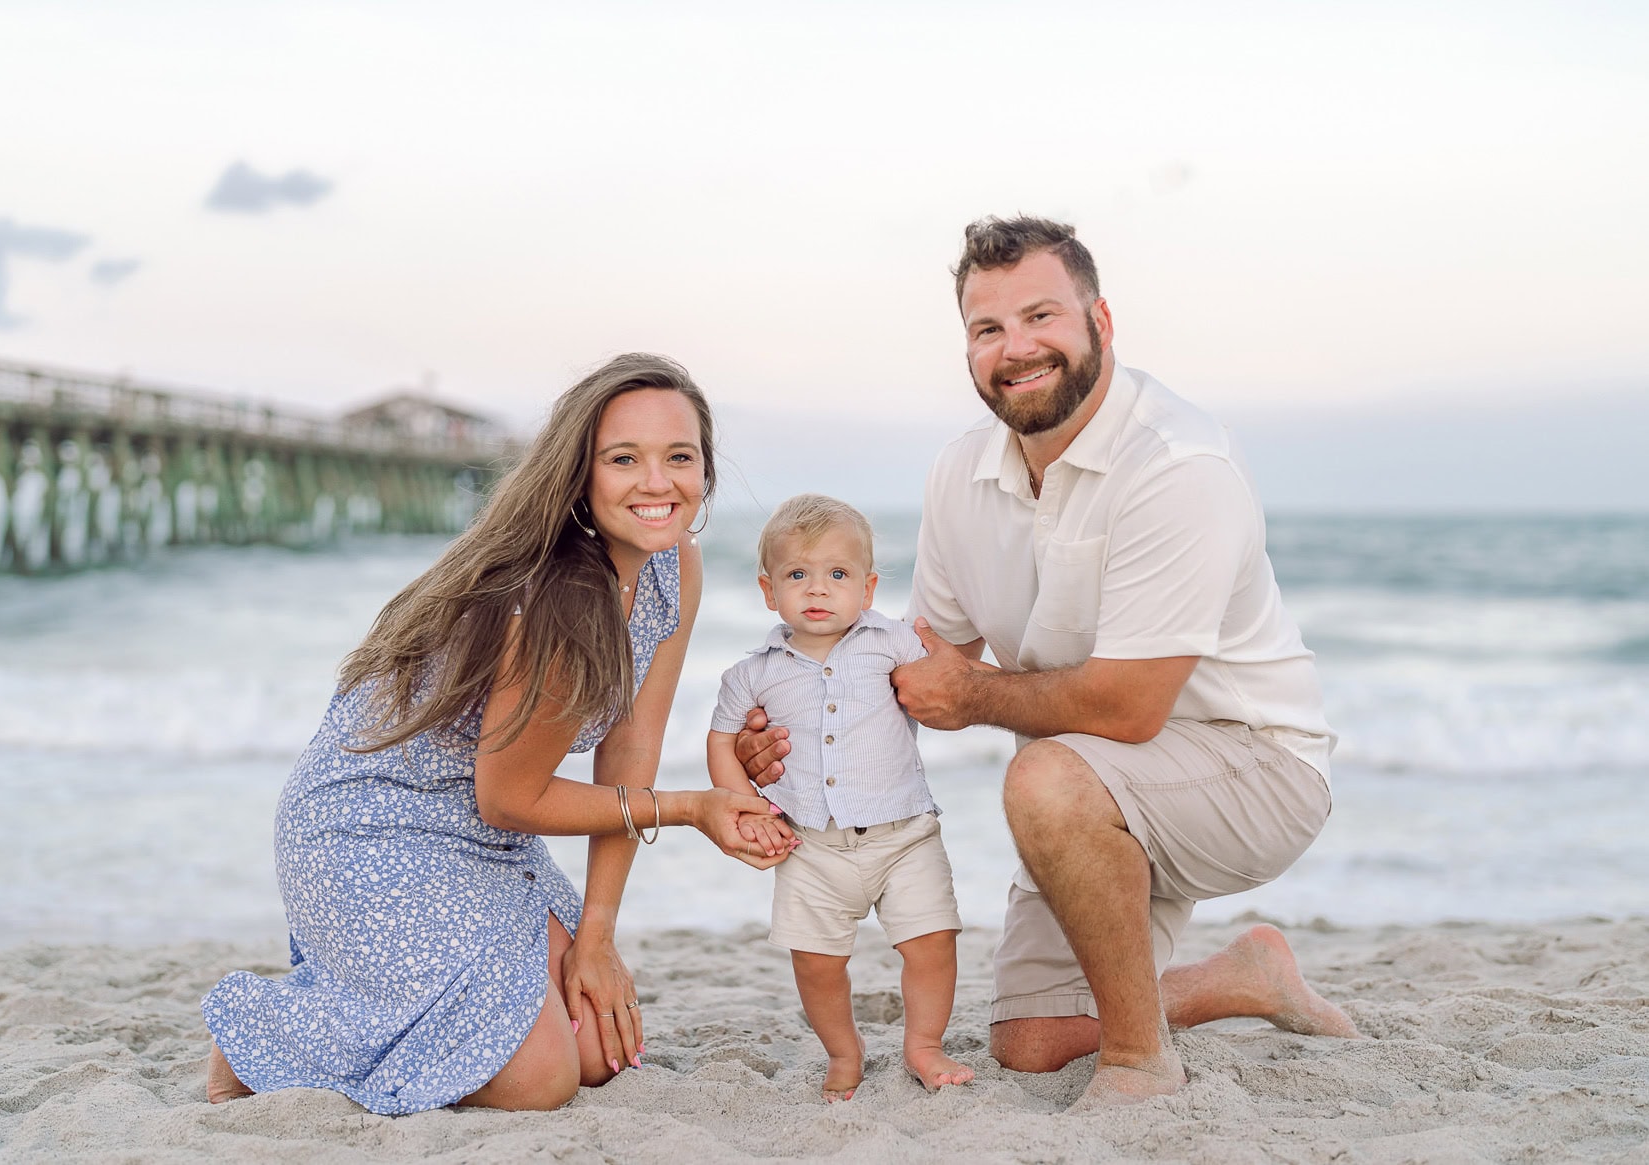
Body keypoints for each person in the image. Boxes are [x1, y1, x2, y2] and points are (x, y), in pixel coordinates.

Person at [736, 217, 1361, 1110]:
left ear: (1101, 320)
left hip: (1252, 764)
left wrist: (976, 696)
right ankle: (1246, 976)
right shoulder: (963, 473)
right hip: (1097, 785)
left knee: (1043, 777)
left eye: (1041, 316)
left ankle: (1141, 1061)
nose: (1015, 348)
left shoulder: (1179, 464)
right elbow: (927, 662)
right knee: (1031, 1043)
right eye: (988, 329)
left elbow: (1132, 706)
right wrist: (794, 721)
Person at [202, 353, 784, 1114]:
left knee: (601, 1051)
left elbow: (630, 755)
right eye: (623, 459)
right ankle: (263, 1035)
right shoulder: (558, 597)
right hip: (370, 827)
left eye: (680, 456)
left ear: (705, 467)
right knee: (543, 1077)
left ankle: (383, 999)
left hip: (485, 836)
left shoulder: (675, 564)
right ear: (581, 473)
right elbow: (511, 794)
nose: (656, 482)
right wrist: (692, 807)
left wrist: (599, 934)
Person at [706, 494, 974, 1101]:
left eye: (838, 574)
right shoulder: (753, 673)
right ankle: (843, 1053)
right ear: (769, 591)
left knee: (932, 942)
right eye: (797, 575)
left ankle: (924, 1045)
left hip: (904, 834)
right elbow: (722, 739)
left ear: (869, 587)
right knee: (816, 962)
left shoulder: (894, 644)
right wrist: (743, 804)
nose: (817, 589)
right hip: (811, 847)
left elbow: (947, 688)